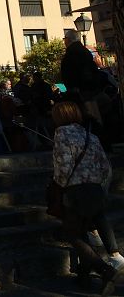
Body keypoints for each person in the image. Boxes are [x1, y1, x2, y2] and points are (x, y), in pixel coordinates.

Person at [50, 100, 122, 295]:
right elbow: (104, 164)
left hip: (76, 190)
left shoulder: (61, 133)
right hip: (95, 189)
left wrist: (60, 185)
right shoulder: (89, 134)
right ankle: (84, 275)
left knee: (73, 233)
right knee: (86, 228)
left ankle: (106, 271)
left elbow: (62, 166)